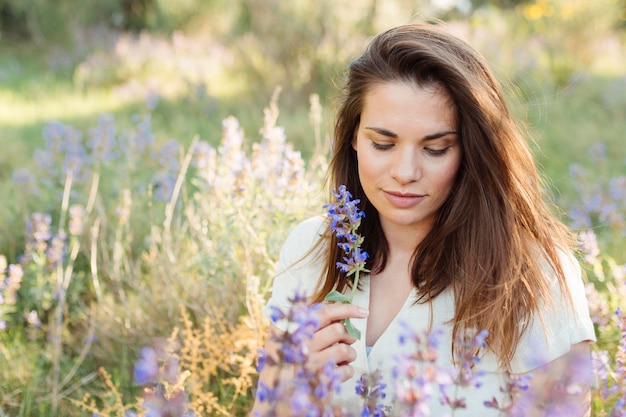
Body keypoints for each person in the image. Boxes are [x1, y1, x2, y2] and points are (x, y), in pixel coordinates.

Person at [252, 20, 596, 417]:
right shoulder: (309, 251)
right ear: (353, 138)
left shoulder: (532, 273)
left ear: (470, 149)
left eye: (435, 149)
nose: (405, 171)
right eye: (383, 144)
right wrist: (290, 391)